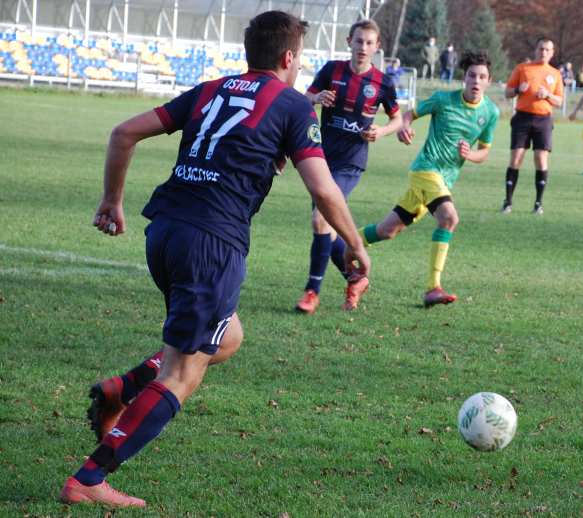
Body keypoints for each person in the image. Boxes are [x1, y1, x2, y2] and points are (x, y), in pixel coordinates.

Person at [59, 11, 370, 508]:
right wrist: (356, 245)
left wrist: (111, 201)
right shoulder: (293, 106)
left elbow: (123, 133)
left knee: (228, 338)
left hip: (164, 230)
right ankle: (91, 477)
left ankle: (122, 388)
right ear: (289, 58)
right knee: (183, 372)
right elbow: (324, 188)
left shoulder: (210, 89)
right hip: (212, 242)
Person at [357, 51, 499, 307]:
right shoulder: (443, 100)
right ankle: (433, 287)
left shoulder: (491, 112)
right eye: (471, 75)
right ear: (463, 78)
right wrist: (405, 128)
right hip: (425, 170)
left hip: (443, 181)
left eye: (482, 77)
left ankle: (346, 241)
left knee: (387, 231)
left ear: (489, 80)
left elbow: (485, 152)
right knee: (449, 218)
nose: (476, 81)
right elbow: (409, 115)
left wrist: (471, 154)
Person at [295, 19, 402, 314]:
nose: (363, 48)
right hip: (320, 159)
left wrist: (380, 131)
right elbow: (304, 99)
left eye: (369, 43)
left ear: (377, 47)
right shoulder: (332, 70)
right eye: (358, 41)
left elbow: (396, 118)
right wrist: (316, 98)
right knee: (327, 231)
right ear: (349, 42)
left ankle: (311, 291)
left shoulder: (382, 82)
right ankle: (355, 278)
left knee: (320, 219)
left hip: (350, 163)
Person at [500, 37, 563, 215]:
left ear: (552, 53)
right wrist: (519, 89)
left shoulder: (555, 74)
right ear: (536, 50)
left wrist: (548, 95)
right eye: (541, 49)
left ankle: (538, 203)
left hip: (543, 120)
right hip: (522, 118)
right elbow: (507, 92)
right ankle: (508, 202)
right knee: (516, 158)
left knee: (540, 159)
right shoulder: (522, 68)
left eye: (547, 50)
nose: (543, 52)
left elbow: (559, 101)